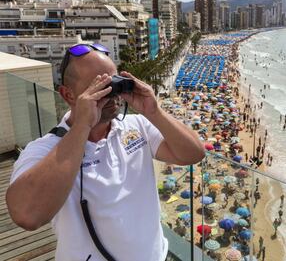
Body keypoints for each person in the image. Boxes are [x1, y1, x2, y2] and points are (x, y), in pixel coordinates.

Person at [6, 44, 205, 261]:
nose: (111, 94)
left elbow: (193, 153)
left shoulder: (137, 126)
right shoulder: (44, 149)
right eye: (99, 87)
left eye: (114, 83)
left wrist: (153, 111)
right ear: (68, 94)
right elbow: (27, 215)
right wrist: (83, 124)